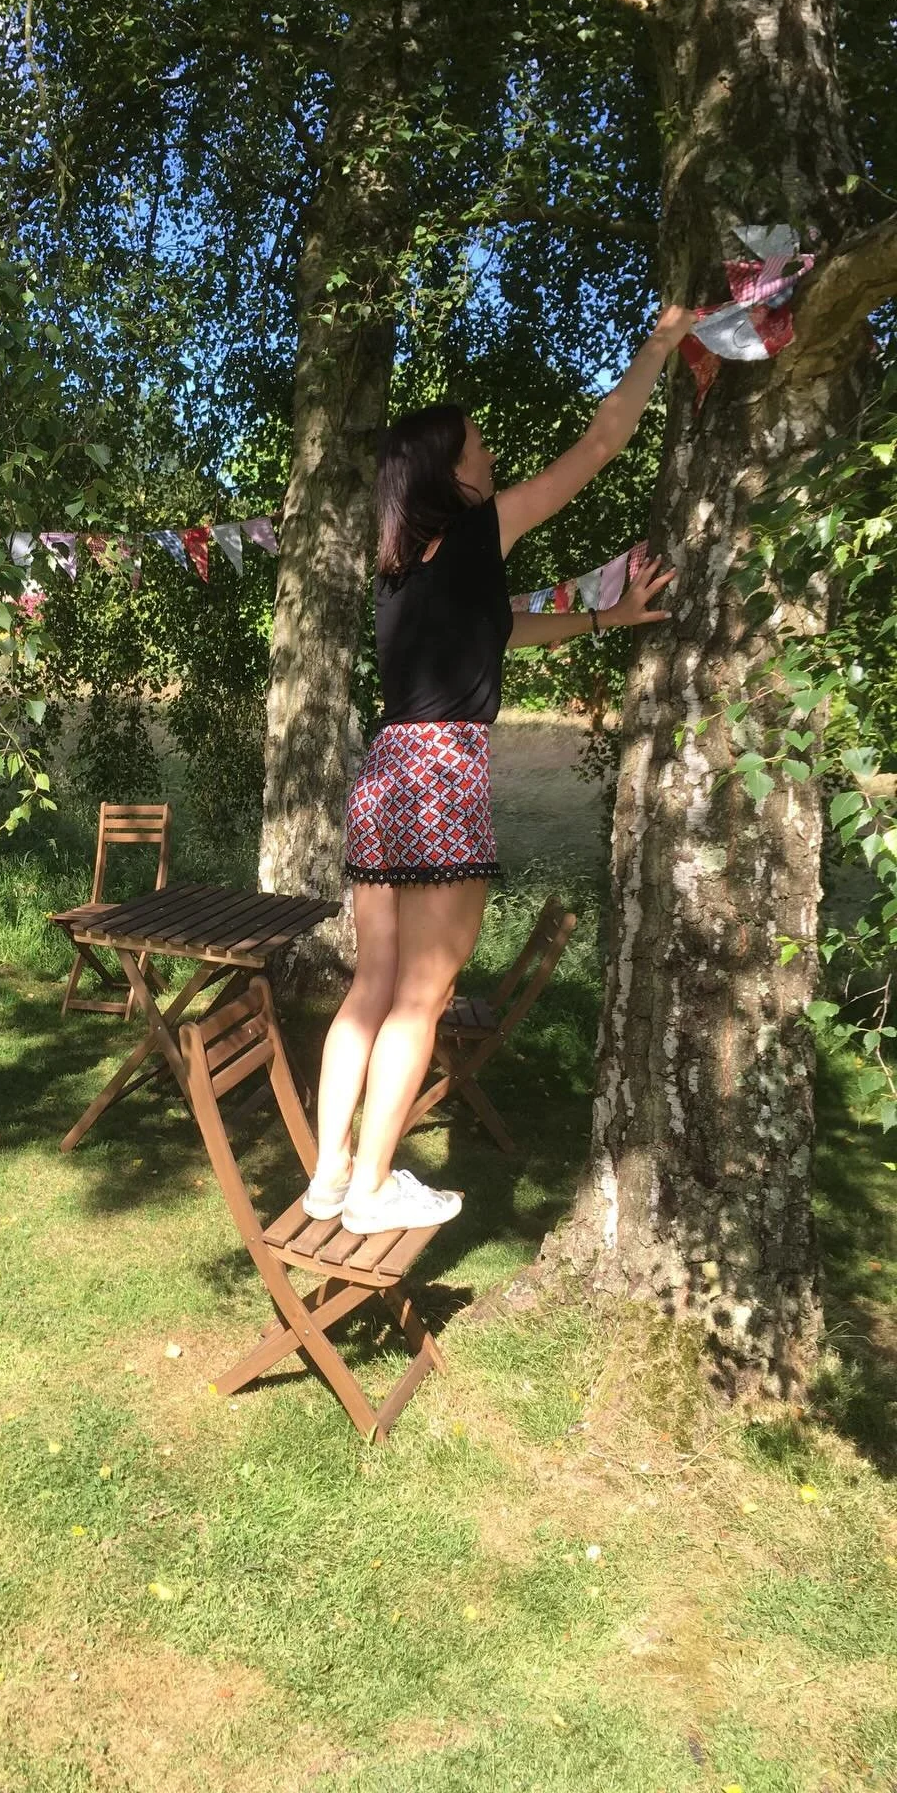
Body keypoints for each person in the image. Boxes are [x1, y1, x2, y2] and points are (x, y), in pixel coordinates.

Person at [306, 305, 695, 1236]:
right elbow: (600, 445)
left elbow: (503, 630)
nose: (490, 456)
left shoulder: (403, 565)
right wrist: (659, 346)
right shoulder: (481, 526)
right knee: (424, 995)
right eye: (478, 446)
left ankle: (329, 1178)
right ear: (450, 470)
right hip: (442, 774)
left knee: (372, 986)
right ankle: (371, 1189)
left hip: (385, 770)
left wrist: (606, 621)